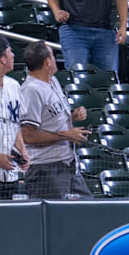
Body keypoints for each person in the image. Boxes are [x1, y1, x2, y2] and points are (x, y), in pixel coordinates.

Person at [19, 41, 92, 199]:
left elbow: (50, 120)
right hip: (45, 170)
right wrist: (66, 135)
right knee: (57, 221)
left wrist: (73, 116)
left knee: (88, 212)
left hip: (67, 164)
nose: (56, 58)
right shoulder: (31, 90)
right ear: (47, 62)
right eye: (53, 54)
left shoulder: (53, 81)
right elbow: (27, 135)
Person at [0, 36, 29, 200]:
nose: (13, 56)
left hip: (10, 175)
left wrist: (22, 150)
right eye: (10, 52)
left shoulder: (14, 86)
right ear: (2, 59)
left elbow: (14, 125)